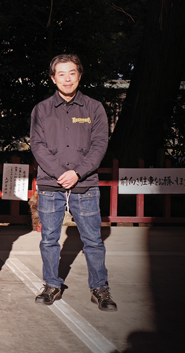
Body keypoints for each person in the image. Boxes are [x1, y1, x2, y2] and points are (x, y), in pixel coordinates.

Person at [30, 54, 117, 312]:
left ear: (79, 76)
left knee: (93, 240)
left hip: (85, 185)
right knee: (49, 239)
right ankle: (51, 284)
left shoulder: (94, 108)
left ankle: (99, 288)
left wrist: (77, 173)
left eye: (72, 73)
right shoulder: (41, 109)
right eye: (61, 74)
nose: (67, 79)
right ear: (53, 78)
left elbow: (100, 145)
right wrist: (61, 173)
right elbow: (37, 145)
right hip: (50, 185)